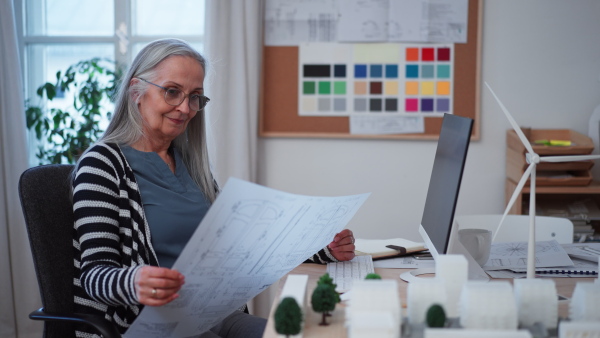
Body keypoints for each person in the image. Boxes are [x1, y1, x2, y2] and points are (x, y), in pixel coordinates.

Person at [71, 38, 356, 338]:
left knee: (298, 334)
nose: (185, 108)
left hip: (209, 314)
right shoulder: (101, 165)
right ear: (136, 92)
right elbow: (93, 276)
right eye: (172, 92)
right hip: (145, 324)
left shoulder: (191, 167)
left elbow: (249, 246)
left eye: (195, 97)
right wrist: (134, 281)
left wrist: (325, 249)